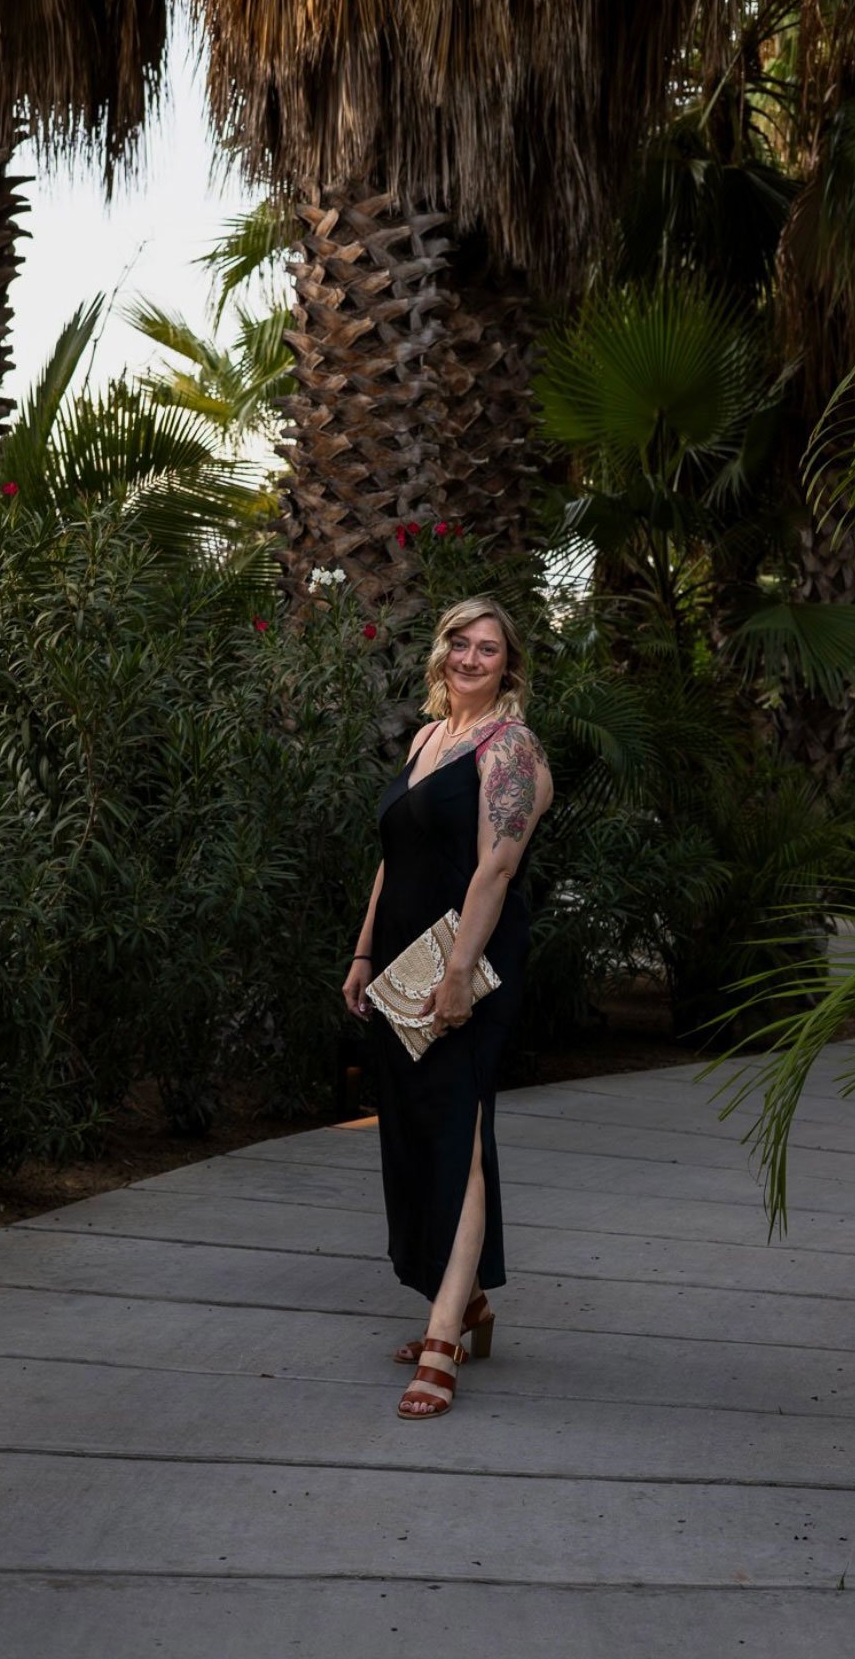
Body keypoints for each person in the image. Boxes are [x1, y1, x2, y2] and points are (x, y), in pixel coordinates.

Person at [343, 596, 553, 1419]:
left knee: (458, 1135)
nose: (470, 658)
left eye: (488, 648)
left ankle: (442, 1343)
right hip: (403, 962)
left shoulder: (512, 749)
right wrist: (365, 952)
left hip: (470, 965)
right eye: (459, 643)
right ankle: (467, 1303)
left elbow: (495, 870)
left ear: (510, 664)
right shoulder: (429, 738)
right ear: (442, 653)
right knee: (421, 1127)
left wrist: (460, 971)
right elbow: (392, 860)